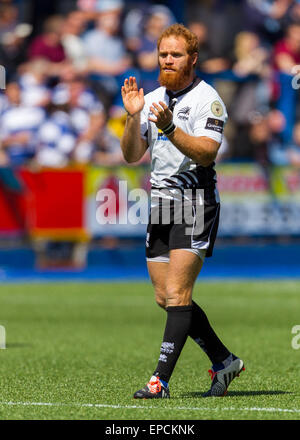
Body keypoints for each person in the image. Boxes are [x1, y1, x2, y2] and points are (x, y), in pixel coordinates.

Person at [120, 23, 245, 399]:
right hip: (160, 205)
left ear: (192, 58)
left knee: (177, 295)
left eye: (175, 54)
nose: (168, 60)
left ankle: (159, 381)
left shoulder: (208, 99)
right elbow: (130, 155)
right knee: (167, 298)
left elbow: (207, 152)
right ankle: (225, 362)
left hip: (195, 205)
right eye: (163, 54)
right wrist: (131, 117)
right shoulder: (152, 98)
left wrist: (171, 127)